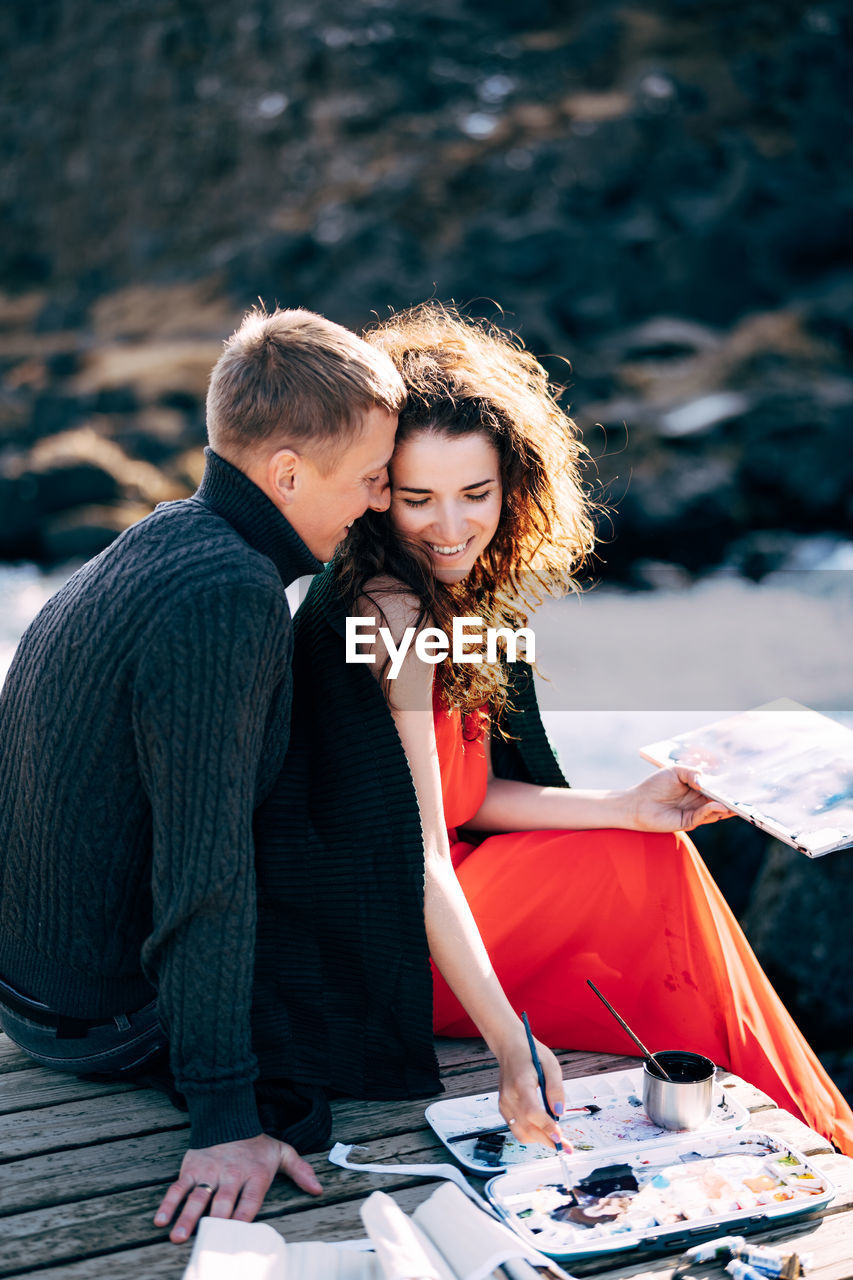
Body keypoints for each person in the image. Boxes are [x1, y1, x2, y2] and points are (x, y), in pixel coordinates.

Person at [255, 300, 853, 1158]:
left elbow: (466, 797)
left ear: (514, 485)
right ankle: (799, 1125)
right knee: (651, 891)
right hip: (385, 943)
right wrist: (509, 1047)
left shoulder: (451, 596)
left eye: (475, 494)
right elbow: (418, 852)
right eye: (418, 497)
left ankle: (781, 1111)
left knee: (650, 850)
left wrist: (626, 804)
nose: (450, 527)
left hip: (451, 890)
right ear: (378, 489)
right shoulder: (389, 610)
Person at [0, 305, 406, 1242]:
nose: (378, 503)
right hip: (95, 1018)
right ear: (288, 474)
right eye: (371, 479)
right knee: (358, 972)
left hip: (38, 982)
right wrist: (227, 1120)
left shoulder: (170, 534)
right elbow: (206, 873)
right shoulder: (229, 598)